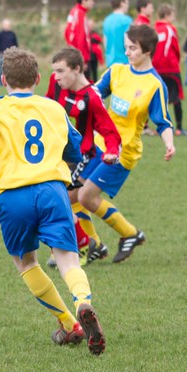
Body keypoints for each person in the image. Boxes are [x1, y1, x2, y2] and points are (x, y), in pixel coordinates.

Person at [0, 47, 106, 355]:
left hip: (14, 194)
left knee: (26, 262)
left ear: (3, 80)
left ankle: (70, 324)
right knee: (67, 258)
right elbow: (75, 152)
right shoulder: (54, 108)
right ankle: (83, 301)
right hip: (52, 190)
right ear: (39, 79)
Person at [78, 24, 175, 262]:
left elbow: (162, 121)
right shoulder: (117, 71)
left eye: (133, 48)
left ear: (147, 50)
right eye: (126, 48)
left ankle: (128, 234)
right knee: (69, 193)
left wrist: (169, 144)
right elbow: (94, 94)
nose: (128, 53)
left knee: (85, 197)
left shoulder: (154, 85)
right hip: (98, 144)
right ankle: (93, 244)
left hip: (123, 152)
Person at [46, 46, 122, 267]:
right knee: (63, 201)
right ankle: (89, 244)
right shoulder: (55, 84)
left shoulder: (92, 97)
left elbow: (110, 132)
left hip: (83, 158)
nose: (57, 77)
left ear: (77, 69)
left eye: (61, 71)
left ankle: (82, 246)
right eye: (55, 71)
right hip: (60, 156)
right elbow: (46, 105)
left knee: (60, 200)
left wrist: (111, 151)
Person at [154, 5, 186, 135]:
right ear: (166, 15)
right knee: (176, 98)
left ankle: (160, 127)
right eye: (172, 15)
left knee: (159, 99)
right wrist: (177, 62)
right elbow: (175, 48)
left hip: (155, 68)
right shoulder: (170, 28)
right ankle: (179, 128)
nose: (174, 18)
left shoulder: (154, 29)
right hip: (170, 68)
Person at [64, 0, 93, 78]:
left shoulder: (74, 11)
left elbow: (67, 32)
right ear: (83, 1)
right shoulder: (80, 14)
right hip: (80, 56)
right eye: (91, 0)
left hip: (73, 54)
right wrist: (82, 60)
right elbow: (80, 37)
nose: (92, 3)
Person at [102, 0, 132, 68]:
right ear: (122, 3)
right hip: (124, 61)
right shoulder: (126, 20)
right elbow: (128, 40)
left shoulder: (107, 20)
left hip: (110, 61)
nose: (128, 6)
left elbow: (105, 41)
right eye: (127, 3)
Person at [0, 18, 19, 87]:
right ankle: (0, 82)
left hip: (12, 54)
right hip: (3, 54)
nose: (7, 26)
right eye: (6, 25)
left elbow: (16, 44)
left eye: (8, 25)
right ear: (3, 25)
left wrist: (15, 52)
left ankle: (12, 82)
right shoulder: (0, 34)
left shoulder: (12, 34)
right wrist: (0, 52)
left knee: (13, 69)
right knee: (2, 69)